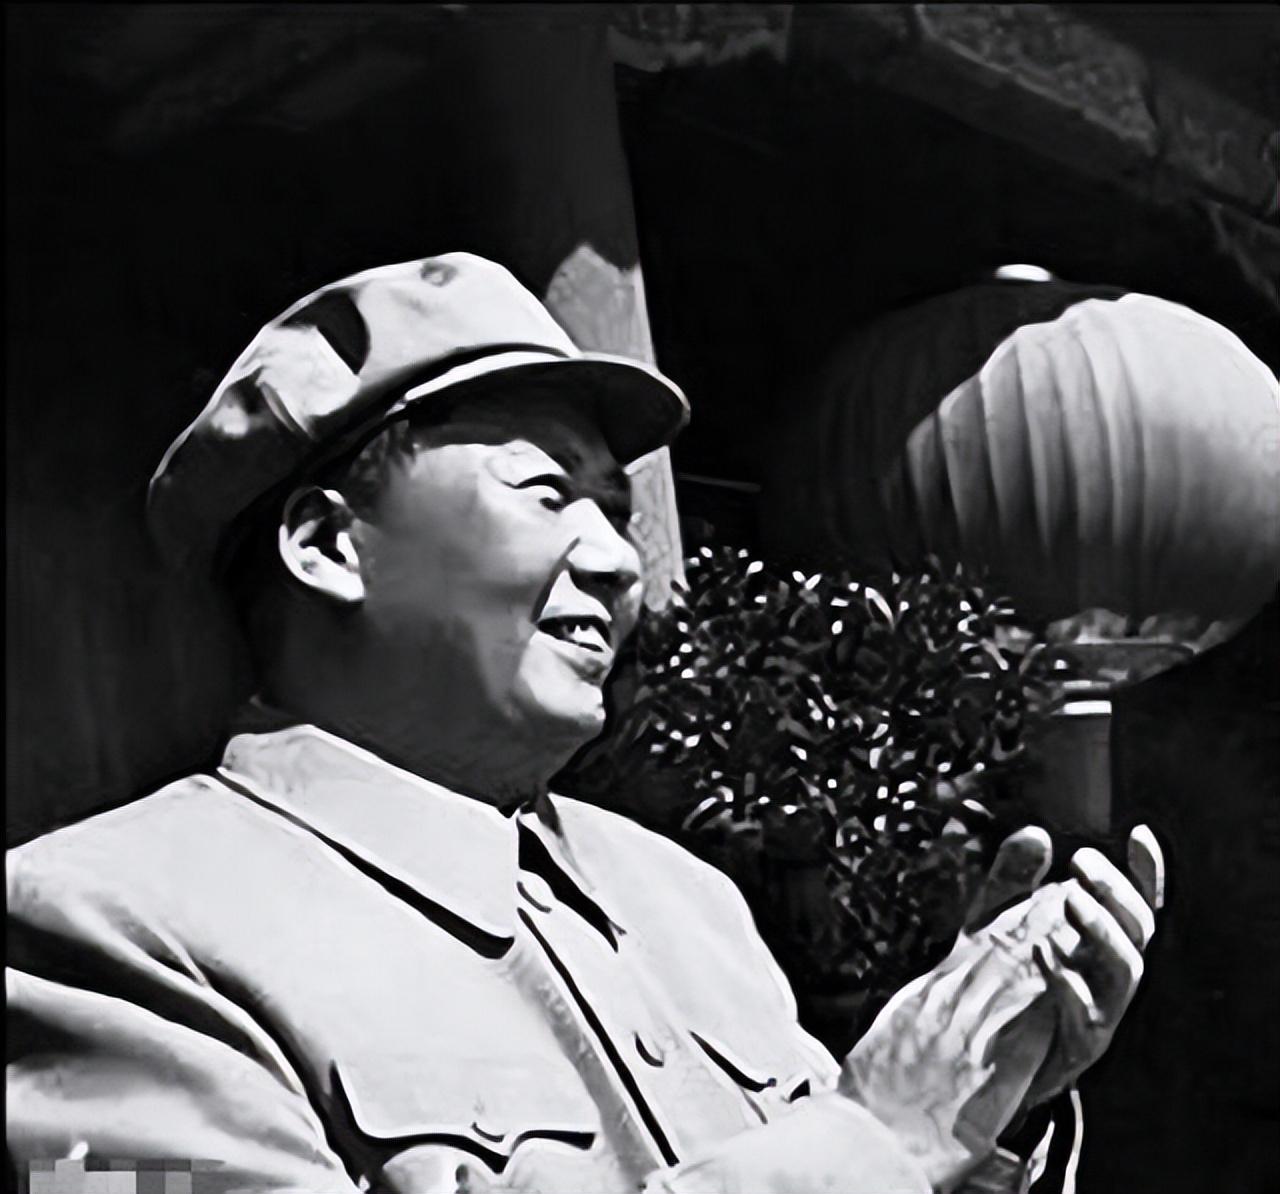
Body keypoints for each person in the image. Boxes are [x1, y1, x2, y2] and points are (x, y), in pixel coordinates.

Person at [7, 253, 1163, 1194]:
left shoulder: (686, 900)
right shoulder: (89, 934)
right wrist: (871, 1144)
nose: (617, 561)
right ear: (326, 545)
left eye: (615, 509)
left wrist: (975, 1107)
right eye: (547, 493)